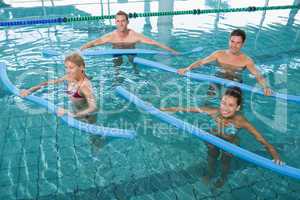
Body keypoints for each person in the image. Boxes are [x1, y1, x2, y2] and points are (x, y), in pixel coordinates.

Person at [160, 87, 283, 188]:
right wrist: (164, 110)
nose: (225, 108)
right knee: (211, 156)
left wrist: (276, 157)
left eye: (231, 105)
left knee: (225, 161)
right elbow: (185, 109)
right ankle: (209, 173)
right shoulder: (214, 111)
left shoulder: (241, 121)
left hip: (230, 143)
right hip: (213, 139)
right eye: (223, 103)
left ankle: (223, 177)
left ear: (237, 107)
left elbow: (262, 140)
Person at [177, 29, 272, 96]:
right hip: (218, 78)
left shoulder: (246, 60)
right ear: (229, 41)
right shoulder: (219, 54)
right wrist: (187, 68)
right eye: (232, 41)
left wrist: (265, 87)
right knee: (208, 101)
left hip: (235, 83)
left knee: (234, 106)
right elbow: (201, 62)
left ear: (243, 44)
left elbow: (257, 74)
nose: (234, 45)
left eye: (238, 43)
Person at [80, 10, 179, 66]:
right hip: (116, 51)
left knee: (134, 64)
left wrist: (172, 51)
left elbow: (154, 43)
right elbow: (94, 43)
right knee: (117, 67)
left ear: (127, 22)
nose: (121, 24)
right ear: (115, 23)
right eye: (118, 21)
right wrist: (81, 49)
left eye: (123, 21)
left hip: (131, 51)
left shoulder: (134, 36)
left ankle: (136, 73)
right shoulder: (111, 36)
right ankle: (117, 79)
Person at [20, 53, 97, 122]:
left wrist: (70, 113)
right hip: (76, 109)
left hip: (87, 116)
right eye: (66, 67)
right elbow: (47, 83)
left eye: (71, 67)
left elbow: (93, 108)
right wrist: (30, 90)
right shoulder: (69, 77)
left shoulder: (84, 86)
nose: (68, 71)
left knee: (94, 137)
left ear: (81, 67)